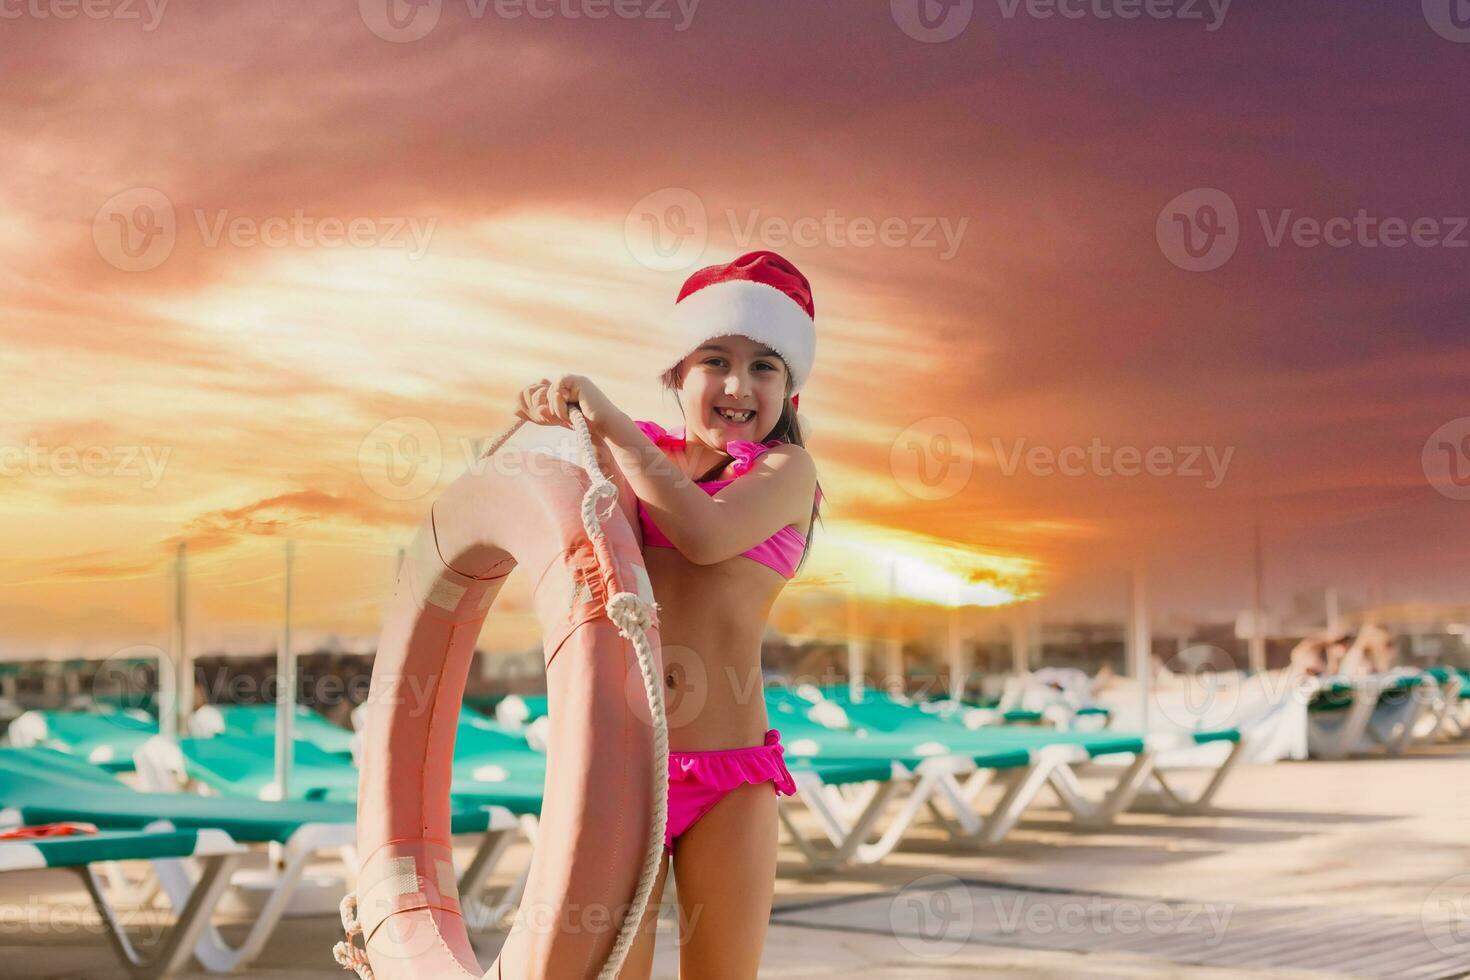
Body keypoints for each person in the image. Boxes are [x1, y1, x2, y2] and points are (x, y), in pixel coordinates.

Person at [513, 250, 825, 978]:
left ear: (790, 388)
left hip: (730, 779)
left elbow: (705, 534)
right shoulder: (630, 461)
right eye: (715, 359)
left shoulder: (786, 473)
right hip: (624, 771)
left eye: (765, 367)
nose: (738, 385)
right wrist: (551, 414)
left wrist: (611, 422)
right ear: (677, 374)